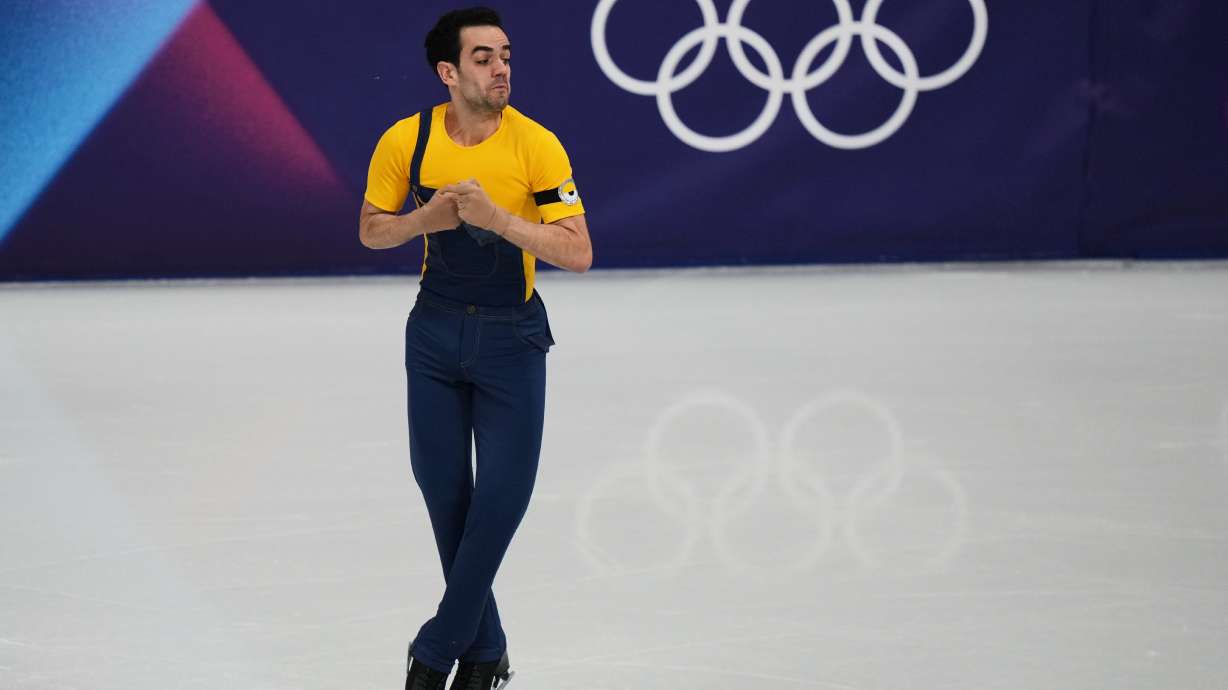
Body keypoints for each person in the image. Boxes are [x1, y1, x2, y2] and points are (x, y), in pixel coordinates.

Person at [358, 6, 592, 690]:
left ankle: (436, 651)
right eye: (484, 58)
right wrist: (425, 219)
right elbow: (372, 231)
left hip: (510, 338)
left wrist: (499, 220)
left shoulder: (536, 145)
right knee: (445, 494)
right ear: (449, 71)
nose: (501, 69)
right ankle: (486, 653)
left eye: (506, 56)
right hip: (432, 336)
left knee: (503, 498)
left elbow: (578, 252)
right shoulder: (408, 139)